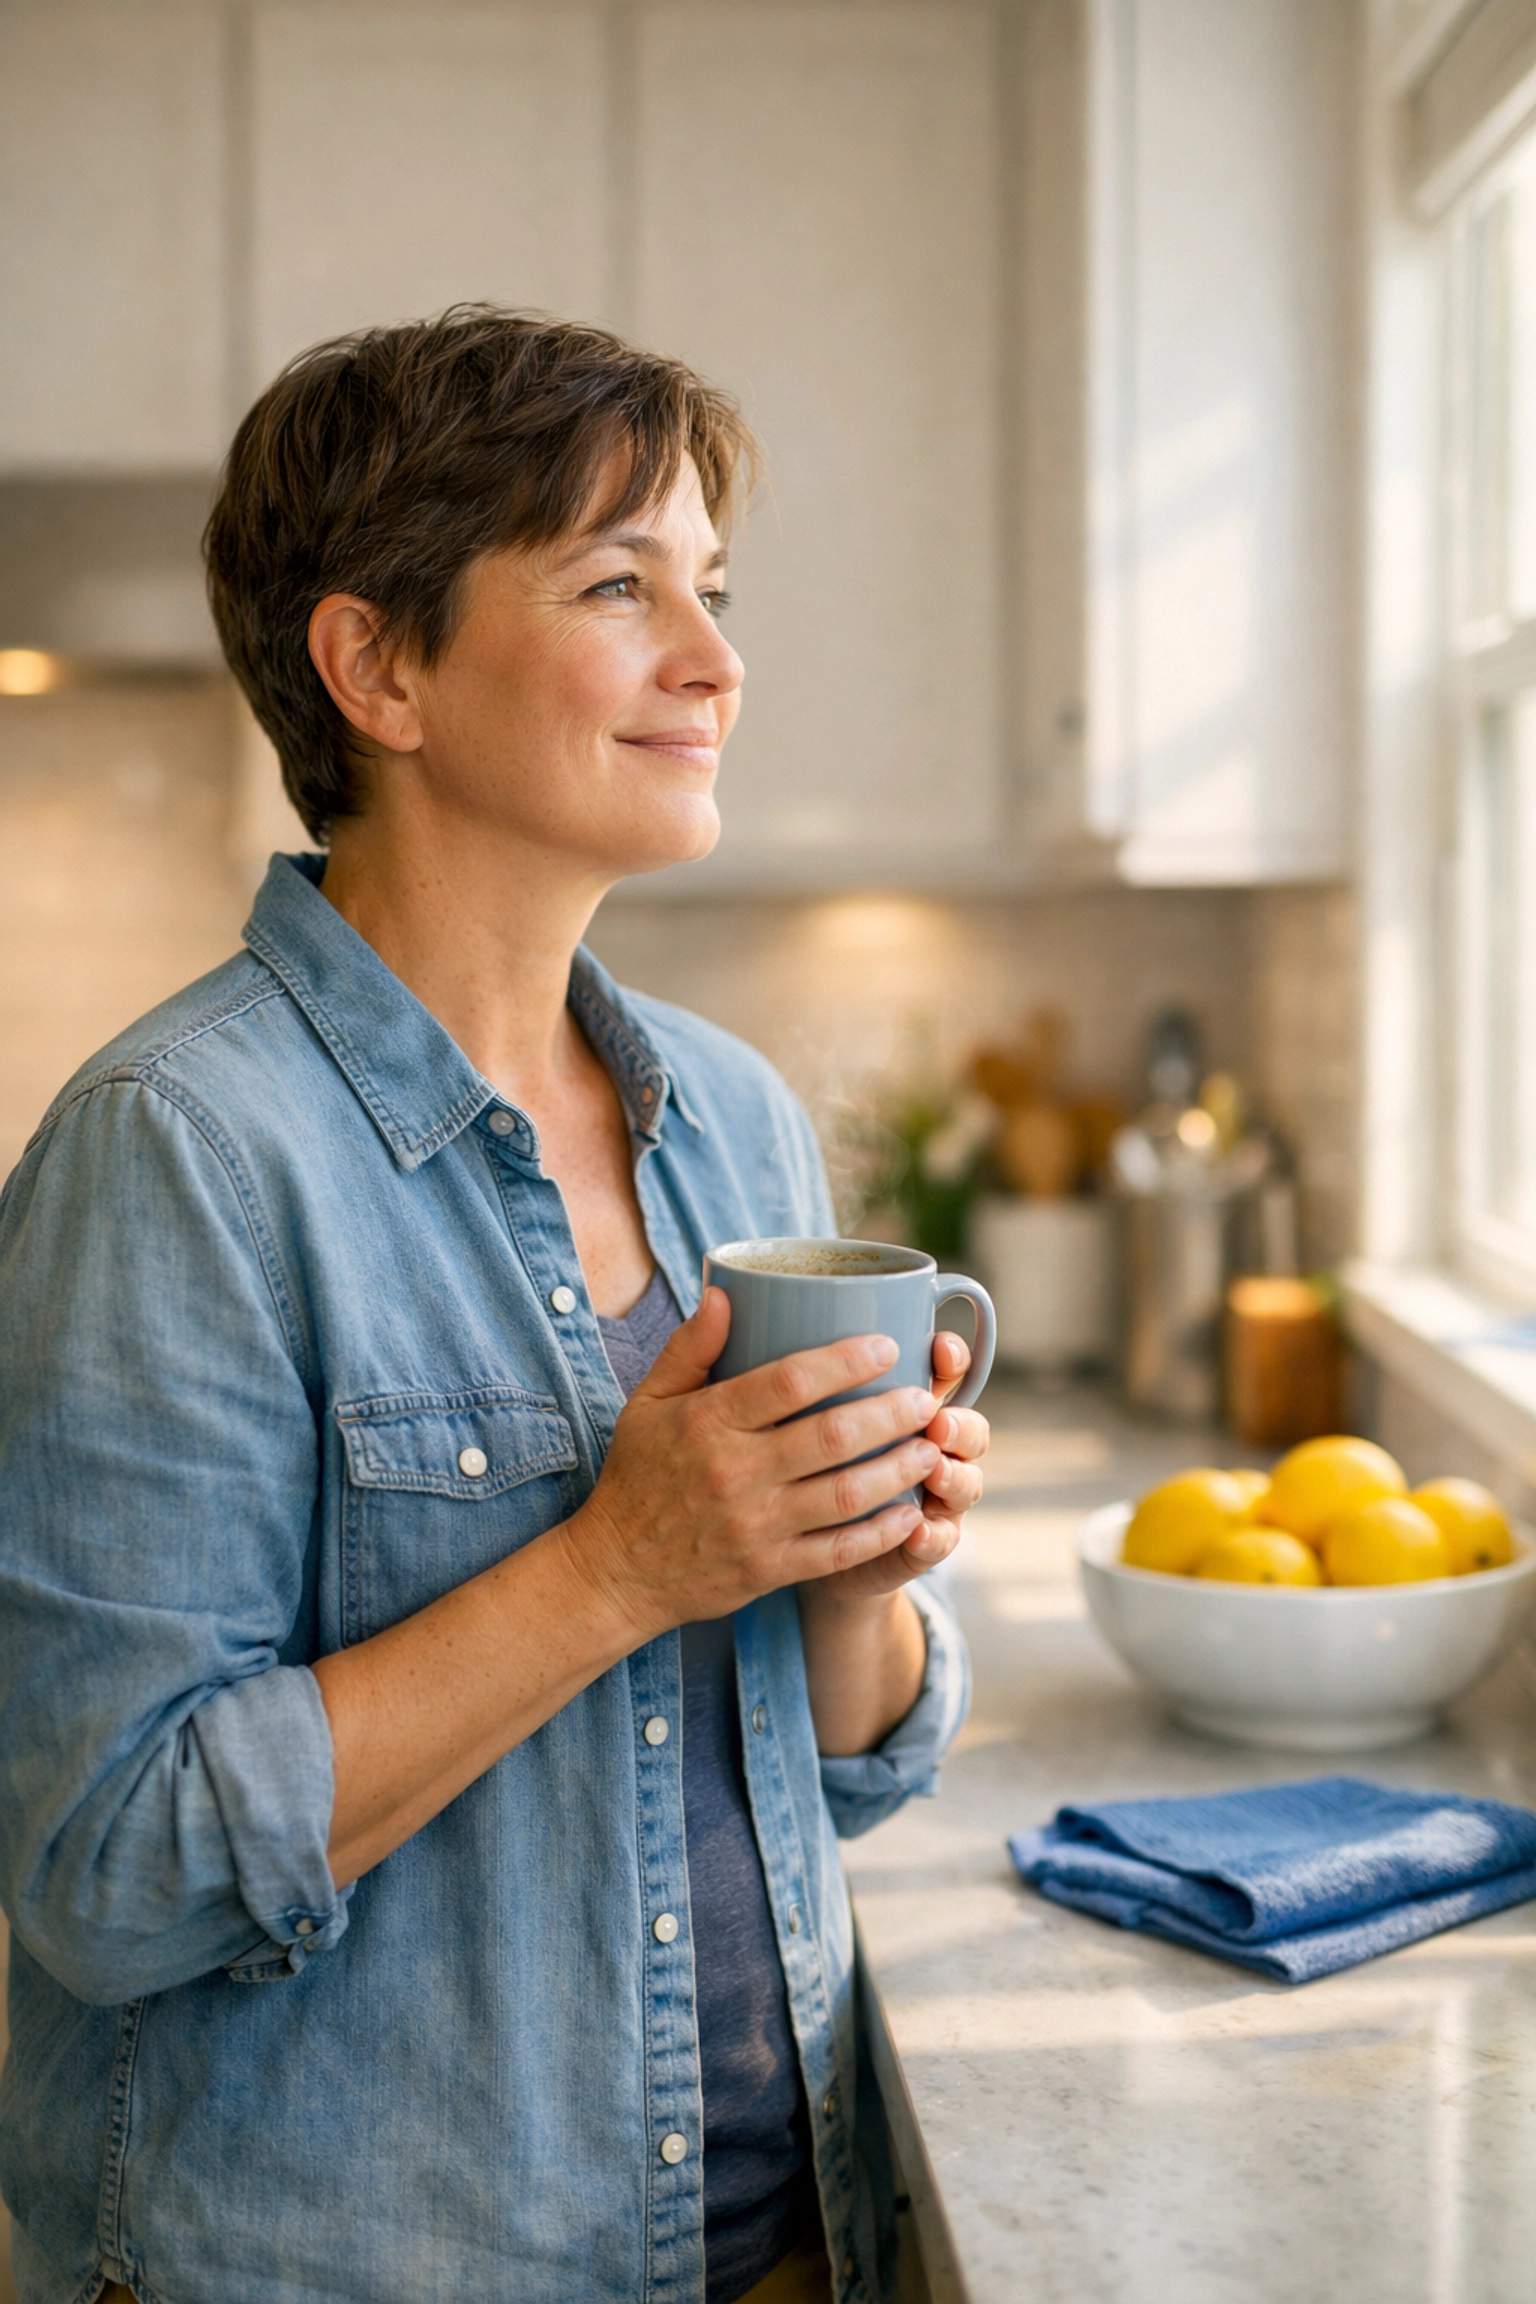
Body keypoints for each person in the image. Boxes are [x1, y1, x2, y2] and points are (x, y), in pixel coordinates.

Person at [0, 309, 984, 2304]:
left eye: (709, 589)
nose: (716, 663)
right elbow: (109, 1871)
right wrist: (622, 1565)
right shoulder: (177, 1150)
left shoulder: (735, 1120)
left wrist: (858, 1567)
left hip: (784, 2242)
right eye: (620, 587)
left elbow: (843, 1759)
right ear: (378, 668)